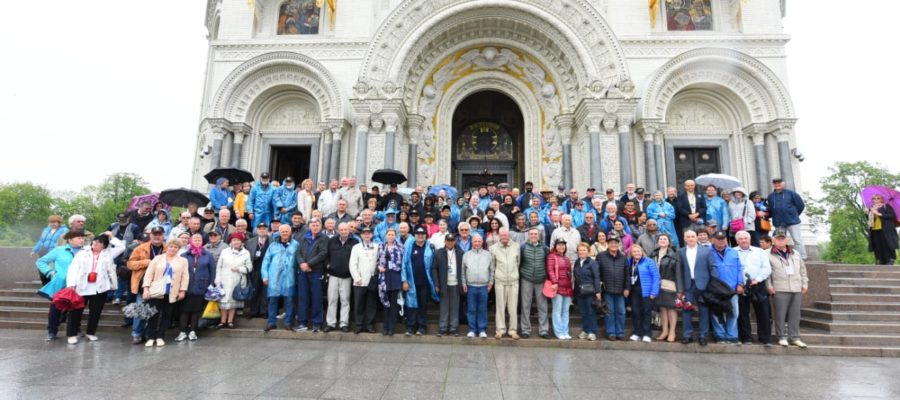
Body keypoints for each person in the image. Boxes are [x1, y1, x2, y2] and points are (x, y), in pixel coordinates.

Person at [60, 232, 123, 344]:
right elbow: (73, 268)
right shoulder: (83, 252)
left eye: (100, 243)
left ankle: (91, 332)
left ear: (104, 246)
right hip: (82, 286)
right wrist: (71, 284)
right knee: (76, 311)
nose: (96, 244)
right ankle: (71, 334)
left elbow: (121, 247)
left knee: (96, 312)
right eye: (95, 241)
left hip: (100, 287)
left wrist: (111, 237)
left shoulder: (108, 254)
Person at [37, 230, 86, 341]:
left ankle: (75, 329)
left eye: (82, 238)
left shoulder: (86, 251)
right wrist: (50, 272)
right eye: (79, 238)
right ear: (69, 240)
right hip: (61, 285)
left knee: (77, 307)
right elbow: (41, 261)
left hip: (79, 285)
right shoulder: (59, 250)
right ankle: (52, 331)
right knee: (56, 308)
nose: (82, 240)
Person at [142, 238, 189, 347]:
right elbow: (149, 274)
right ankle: (150, 336)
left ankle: (160, 336)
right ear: (167, 247)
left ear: (178, 249)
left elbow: (185, 277)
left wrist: (182, 290)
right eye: (171, 246)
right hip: (156, 291)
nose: (173, 249)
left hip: (172, 291)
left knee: (167, 316)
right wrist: (146, 288)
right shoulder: (158, 258)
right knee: (153, 314)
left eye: (176, 247)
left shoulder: (183, 261)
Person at [768, 228, 809, 348]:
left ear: (786, 239)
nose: (781, 240)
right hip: (779, 288)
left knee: (795, 315)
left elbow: (803, 270)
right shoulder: (767, 254)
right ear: (773, 240)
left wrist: (805, 284)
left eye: (783, 238)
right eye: (778, 238)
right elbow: (766, 274)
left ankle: (794, 337)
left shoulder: (795, 253)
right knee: (780, 314)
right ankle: (781, 337)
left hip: (796, 288)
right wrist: (769, 286)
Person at [126, 226, 167, 344]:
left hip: (160, 284)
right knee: (140, 309)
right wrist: (146, 262)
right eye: (155, 234)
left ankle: (151, 333)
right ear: (150, 235)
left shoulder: (168, 248)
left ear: (163, 235)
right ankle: (137, 333)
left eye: (160, 234)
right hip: (143, 284)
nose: (157, 236)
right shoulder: (140, 248)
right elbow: (130, 264)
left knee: (156, 312)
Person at [678, 230, 719, 346]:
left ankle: (703, 336)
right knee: (686, 311)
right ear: (685, 239)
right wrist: (680, 289)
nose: (690, 238)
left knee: (704, 311)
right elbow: (679, 271)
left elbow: (713, 267)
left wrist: (713, 285)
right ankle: (687, 335)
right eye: (688, 237)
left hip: (704, 285)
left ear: (697, 238)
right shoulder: (681, 251)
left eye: (692, 236)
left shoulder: (706, 251)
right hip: (688, 285)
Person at [734, 230, 773, 345]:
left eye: (745, 238)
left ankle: (765, 338)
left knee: (763, 312)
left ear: (750, 239)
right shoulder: (732, 251)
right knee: (742, 313)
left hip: (758, 284)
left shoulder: (760, 251)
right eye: (740, 239)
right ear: (737, 241)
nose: (743, 240)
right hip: (740, 286)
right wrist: (738, 283)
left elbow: (766, 268)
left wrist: (758, 279)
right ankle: (746, 338)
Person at [176, 233, 216, 341]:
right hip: (186, 287)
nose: (197, 241)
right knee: (184, 310)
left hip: (201, 286)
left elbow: (212, 271)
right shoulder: (184, 255)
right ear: (191, 241)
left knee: (196, 310)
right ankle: (183, 331)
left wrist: (211, 285)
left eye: (199, 239)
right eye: (195, 239)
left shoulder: (208, 255)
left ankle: (193, 331)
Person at [261, 225, 299, 332]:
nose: (285, 233)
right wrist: (265, 276)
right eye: (283, 231)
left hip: (289, 277)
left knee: (289, 301)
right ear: (279, 232)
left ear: (290, 232)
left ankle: (288, 323)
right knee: (272, 300)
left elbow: (299, 260)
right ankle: (271, 322)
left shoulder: (296, 245)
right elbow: (266, 261)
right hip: (274, 277)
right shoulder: (273, 245)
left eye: (287, 231)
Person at [401, 226, 439, 335]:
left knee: (422, 305)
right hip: (411, 282)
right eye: (418, 233)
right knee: (411, 305)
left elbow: (434, 265)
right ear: (415, 235)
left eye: (422, 234)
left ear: (425, 235)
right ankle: (410, 327)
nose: (420, 236)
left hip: (425, 282)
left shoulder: (431, 247)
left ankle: (422, 327)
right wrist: (404, 280)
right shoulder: (409, 247)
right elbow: (404, 264)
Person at [295, 218, 329, 332]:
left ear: (321, 226)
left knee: (317, 298)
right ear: (309, 226)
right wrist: (302, 264)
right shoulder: (305, 237)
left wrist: (309, 264)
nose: (315, 227)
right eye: (313, 225)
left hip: (316, 272)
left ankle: (317, 323)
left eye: (317, 225)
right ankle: (302, 323)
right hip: (303, 272)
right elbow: (298, 253)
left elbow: (323, 253)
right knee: (303, 298)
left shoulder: (324, 238)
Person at [710, 231, 743, 344]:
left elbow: (739, 268)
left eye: (723, 239)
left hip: (731, 288)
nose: (721, 241)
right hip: (715, 288)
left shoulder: (733, 252)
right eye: (718, 239)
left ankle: (732, 336)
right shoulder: (707, 252)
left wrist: (740, 283)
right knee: (716, 313)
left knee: (734, 313)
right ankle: (720, 336)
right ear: (713, 240)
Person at [325, 223, 359, 332]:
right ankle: (331, 323)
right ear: (338, 230)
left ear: (349, 230)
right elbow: (326, 255)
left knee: (345, 301)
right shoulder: (331, 241)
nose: (343, 231)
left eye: (345, 229)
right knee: (332, 300)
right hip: (333, 275)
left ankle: (344, 323)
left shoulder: (354, 242)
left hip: (347, 276)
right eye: (341, 230)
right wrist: (328, 265)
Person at [215, 232, 252, 330]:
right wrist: (217, 280)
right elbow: (219, 266)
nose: (236, 242)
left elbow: (249, 267)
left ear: (242, 242)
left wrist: (239, 269)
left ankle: (230, 321)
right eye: (234, 240)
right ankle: (222, 321)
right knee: (223, 301)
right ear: (231, 242)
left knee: (233, 301)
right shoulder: (225, 251)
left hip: (237, 280)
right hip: (224, 279)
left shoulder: (246, 253)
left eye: (238, 240)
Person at [518, 228, 549, 339]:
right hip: (526, 278)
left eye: (535, 234)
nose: (533, 235)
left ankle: (544, 330)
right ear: (528, 235)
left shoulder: (545, 248)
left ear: (539, 235)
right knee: (525, 305)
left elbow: (547, 263)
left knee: (542, 306)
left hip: (541, 279)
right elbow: (519, 263)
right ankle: (525, 330)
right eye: (531, 234)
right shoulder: (523, 247)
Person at [624, 244, 660, 342]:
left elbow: (656, 277)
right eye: (634, 252)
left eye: (638, 251)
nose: (636, 253)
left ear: (642, 252)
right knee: (635, 312)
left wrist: (654, 292)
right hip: (634, 291)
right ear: (631, 253)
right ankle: (636, 333)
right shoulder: (629, 262)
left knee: (646, 312)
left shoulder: (649, 261)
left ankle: (647, 334)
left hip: (647, 292)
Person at [490, 228, 520, 339]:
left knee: (513, 307)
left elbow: (518, 262)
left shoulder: (516, 246)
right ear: (499, 236)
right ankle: (500, 330)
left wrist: (514, 274)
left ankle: (512, 330)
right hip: (500, 281)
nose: (504, 237)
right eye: (502, 235)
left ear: (509, 235)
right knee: (500, 306)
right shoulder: (493, 248)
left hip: (513, 281)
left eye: (506, 235)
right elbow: (492, 266)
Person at [651, 234, 681, 342]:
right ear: (658, 241)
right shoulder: (653, 254)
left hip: (669, 284)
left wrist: (679, 289)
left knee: (671, 308)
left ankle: (672, 332)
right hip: (657, 285)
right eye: (660, 239)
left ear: (669, 242)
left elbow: (678, 272)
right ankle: (664, 331)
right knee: (662, 308)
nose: (663, 241)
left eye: (665, 239)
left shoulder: (674, 255)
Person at [767, 178, 807, 260]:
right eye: (775, 183)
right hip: (779, 223)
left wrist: (794, 214)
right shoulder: (771, 196)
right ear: (773, 185)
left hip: (793, 221)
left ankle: (802, 257)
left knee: (797, 239)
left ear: (783, 184)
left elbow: (801, 205)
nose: (777, 185)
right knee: (779, 240)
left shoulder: (791, 193)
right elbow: (770, 209)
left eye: (779, 183)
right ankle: (781, 257)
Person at [462, 234, 493, 338]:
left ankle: (482, 330)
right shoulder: (466, 255)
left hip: (484, 286)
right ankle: (472, 329)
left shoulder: (488, 255)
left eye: (479, 241)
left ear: (482, 242)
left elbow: (492, 270)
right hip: (471, 286)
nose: (477, 243)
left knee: (482, 308)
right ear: (472, 242)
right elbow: (463, 271)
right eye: (475, 241)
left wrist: (491, 282)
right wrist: (464, 283)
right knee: (471, 308)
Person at [596, 233, 627, 340]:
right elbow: (597, 274)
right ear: (608, 244)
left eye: (615, 243)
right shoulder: (601, 256)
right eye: (611, 243)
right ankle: (611, 333)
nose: (613, 245)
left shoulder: (623, 257)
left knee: (621, 312)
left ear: (618, 245)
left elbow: (627, 274)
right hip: (607, 289)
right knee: (609, 312)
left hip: (620, 290)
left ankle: (620, 332)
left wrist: (627, 288)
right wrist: (598, 290)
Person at [432, 233, 463, 336]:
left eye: (452, 240)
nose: (450, 242)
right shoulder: (438, 253)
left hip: (456, 283)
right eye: (448, 240)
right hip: (443, 284)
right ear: (445, 242)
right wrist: (436, 283)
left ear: (455, 241)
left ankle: (454, 328)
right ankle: (443, 328)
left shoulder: (460, 253)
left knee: (455, 307)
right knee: (444, 307)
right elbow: (434, 269)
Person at [349, 227, 379, 333]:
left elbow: (379, 262)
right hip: (359, 281)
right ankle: (359, 324)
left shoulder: (377, 247)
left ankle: (369, 325)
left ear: (371, 235)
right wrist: (357, 278)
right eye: (365, 234)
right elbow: (352, 264)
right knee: (359, 304)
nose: (367, 235)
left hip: (372, 280)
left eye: (369, 233)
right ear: (361, 235)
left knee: (371, 304)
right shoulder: (356, 247)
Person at [377, 228, 404, 336]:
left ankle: (391, 328)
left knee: (393, 304)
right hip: (384, 277)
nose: (391, 236)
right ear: (386, 235)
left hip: (395, 276)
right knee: (385, 303)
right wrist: (379, 267)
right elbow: (377, 260)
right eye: (389, 234)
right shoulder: (381, 246)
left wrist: (391, 266)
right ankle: (385, 327)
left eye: (393, 234)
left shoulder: (400, 247)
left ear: (395, 236)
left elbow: (402, 262)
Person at [572, 242, 601, 341]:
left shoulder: (592, 263)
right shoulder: (577, 262)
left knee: (590, 312)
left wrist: (598, 291)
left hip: (590, 291)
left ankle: (592, 332)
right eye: (580, 250)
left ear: (588, 251)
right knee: (583, 312)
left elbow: (597, 277)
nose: (582, 252)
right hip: (579, 292)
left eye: (584, 250)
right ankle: (585, 330)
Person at [546, 238, 573, 340]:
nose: (561, 247)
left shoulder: (566, 258)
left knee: (565, 311)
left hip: (567, 288)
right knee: (557, 310)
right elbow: (550, 270)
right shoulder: (551, 256)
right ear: (555, 246)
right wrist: (555, 282)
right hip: (557, 287)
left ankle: (565, 331)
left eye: (563, 245)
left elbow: (569, 274)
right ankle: (559, 332)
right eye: (559, 245)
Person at [244, 223, 269, 319]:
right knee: (254, 290)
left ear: (267, 230)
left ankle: (264, 311)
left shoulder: (272, 241)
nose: (262, 230)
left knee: (265, 291)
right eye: (260, 229)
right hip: (255, 269)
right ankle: (253, 311)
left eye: (264, 228)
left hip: (267, 270)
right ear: (257, 230)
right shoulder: (250, 242)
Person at [866, 194, 898, 265]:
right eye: (874, 198)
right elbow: (870, 221)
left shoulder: (886, 206)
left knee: (887, 244)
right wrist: (867, 214)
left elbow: (892, 216)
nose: (876, 200)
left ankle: (890, 260)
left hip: (886, 229)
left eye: (878, 198)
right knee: (877, 245)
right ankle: (880, 260)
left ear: (881, 199)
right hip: (874, 230)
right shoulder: (871, 209)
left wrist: (879, 214)